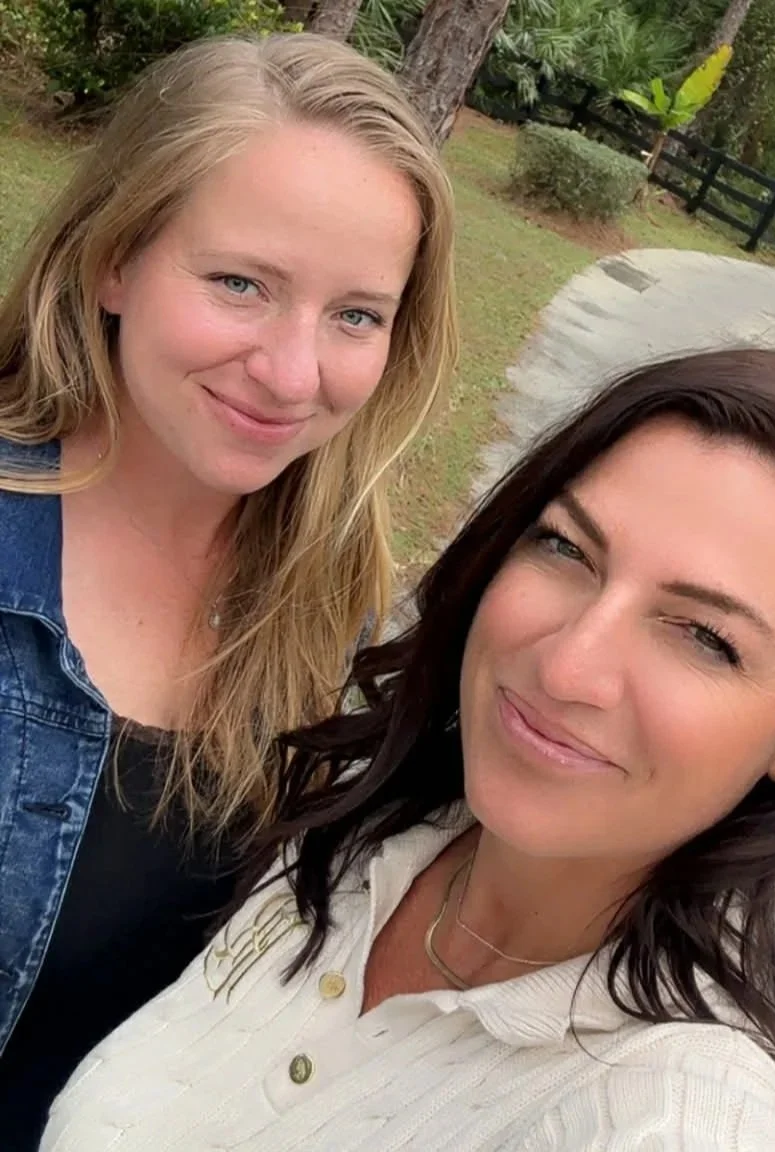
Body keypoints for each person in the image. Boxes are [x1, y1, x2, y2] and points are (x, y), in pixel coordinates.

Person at [42, 349, 775, 1152]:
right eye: (565, 548)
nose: (569, 665)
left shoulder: (682, 1114)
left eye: (704, 636)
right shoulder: (365, 826)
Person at [0, 33, 457, 1144]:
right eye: (241, 284)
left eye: (356, 314)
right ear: (114, 259)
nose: (294, 375)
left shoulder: (328, 604)